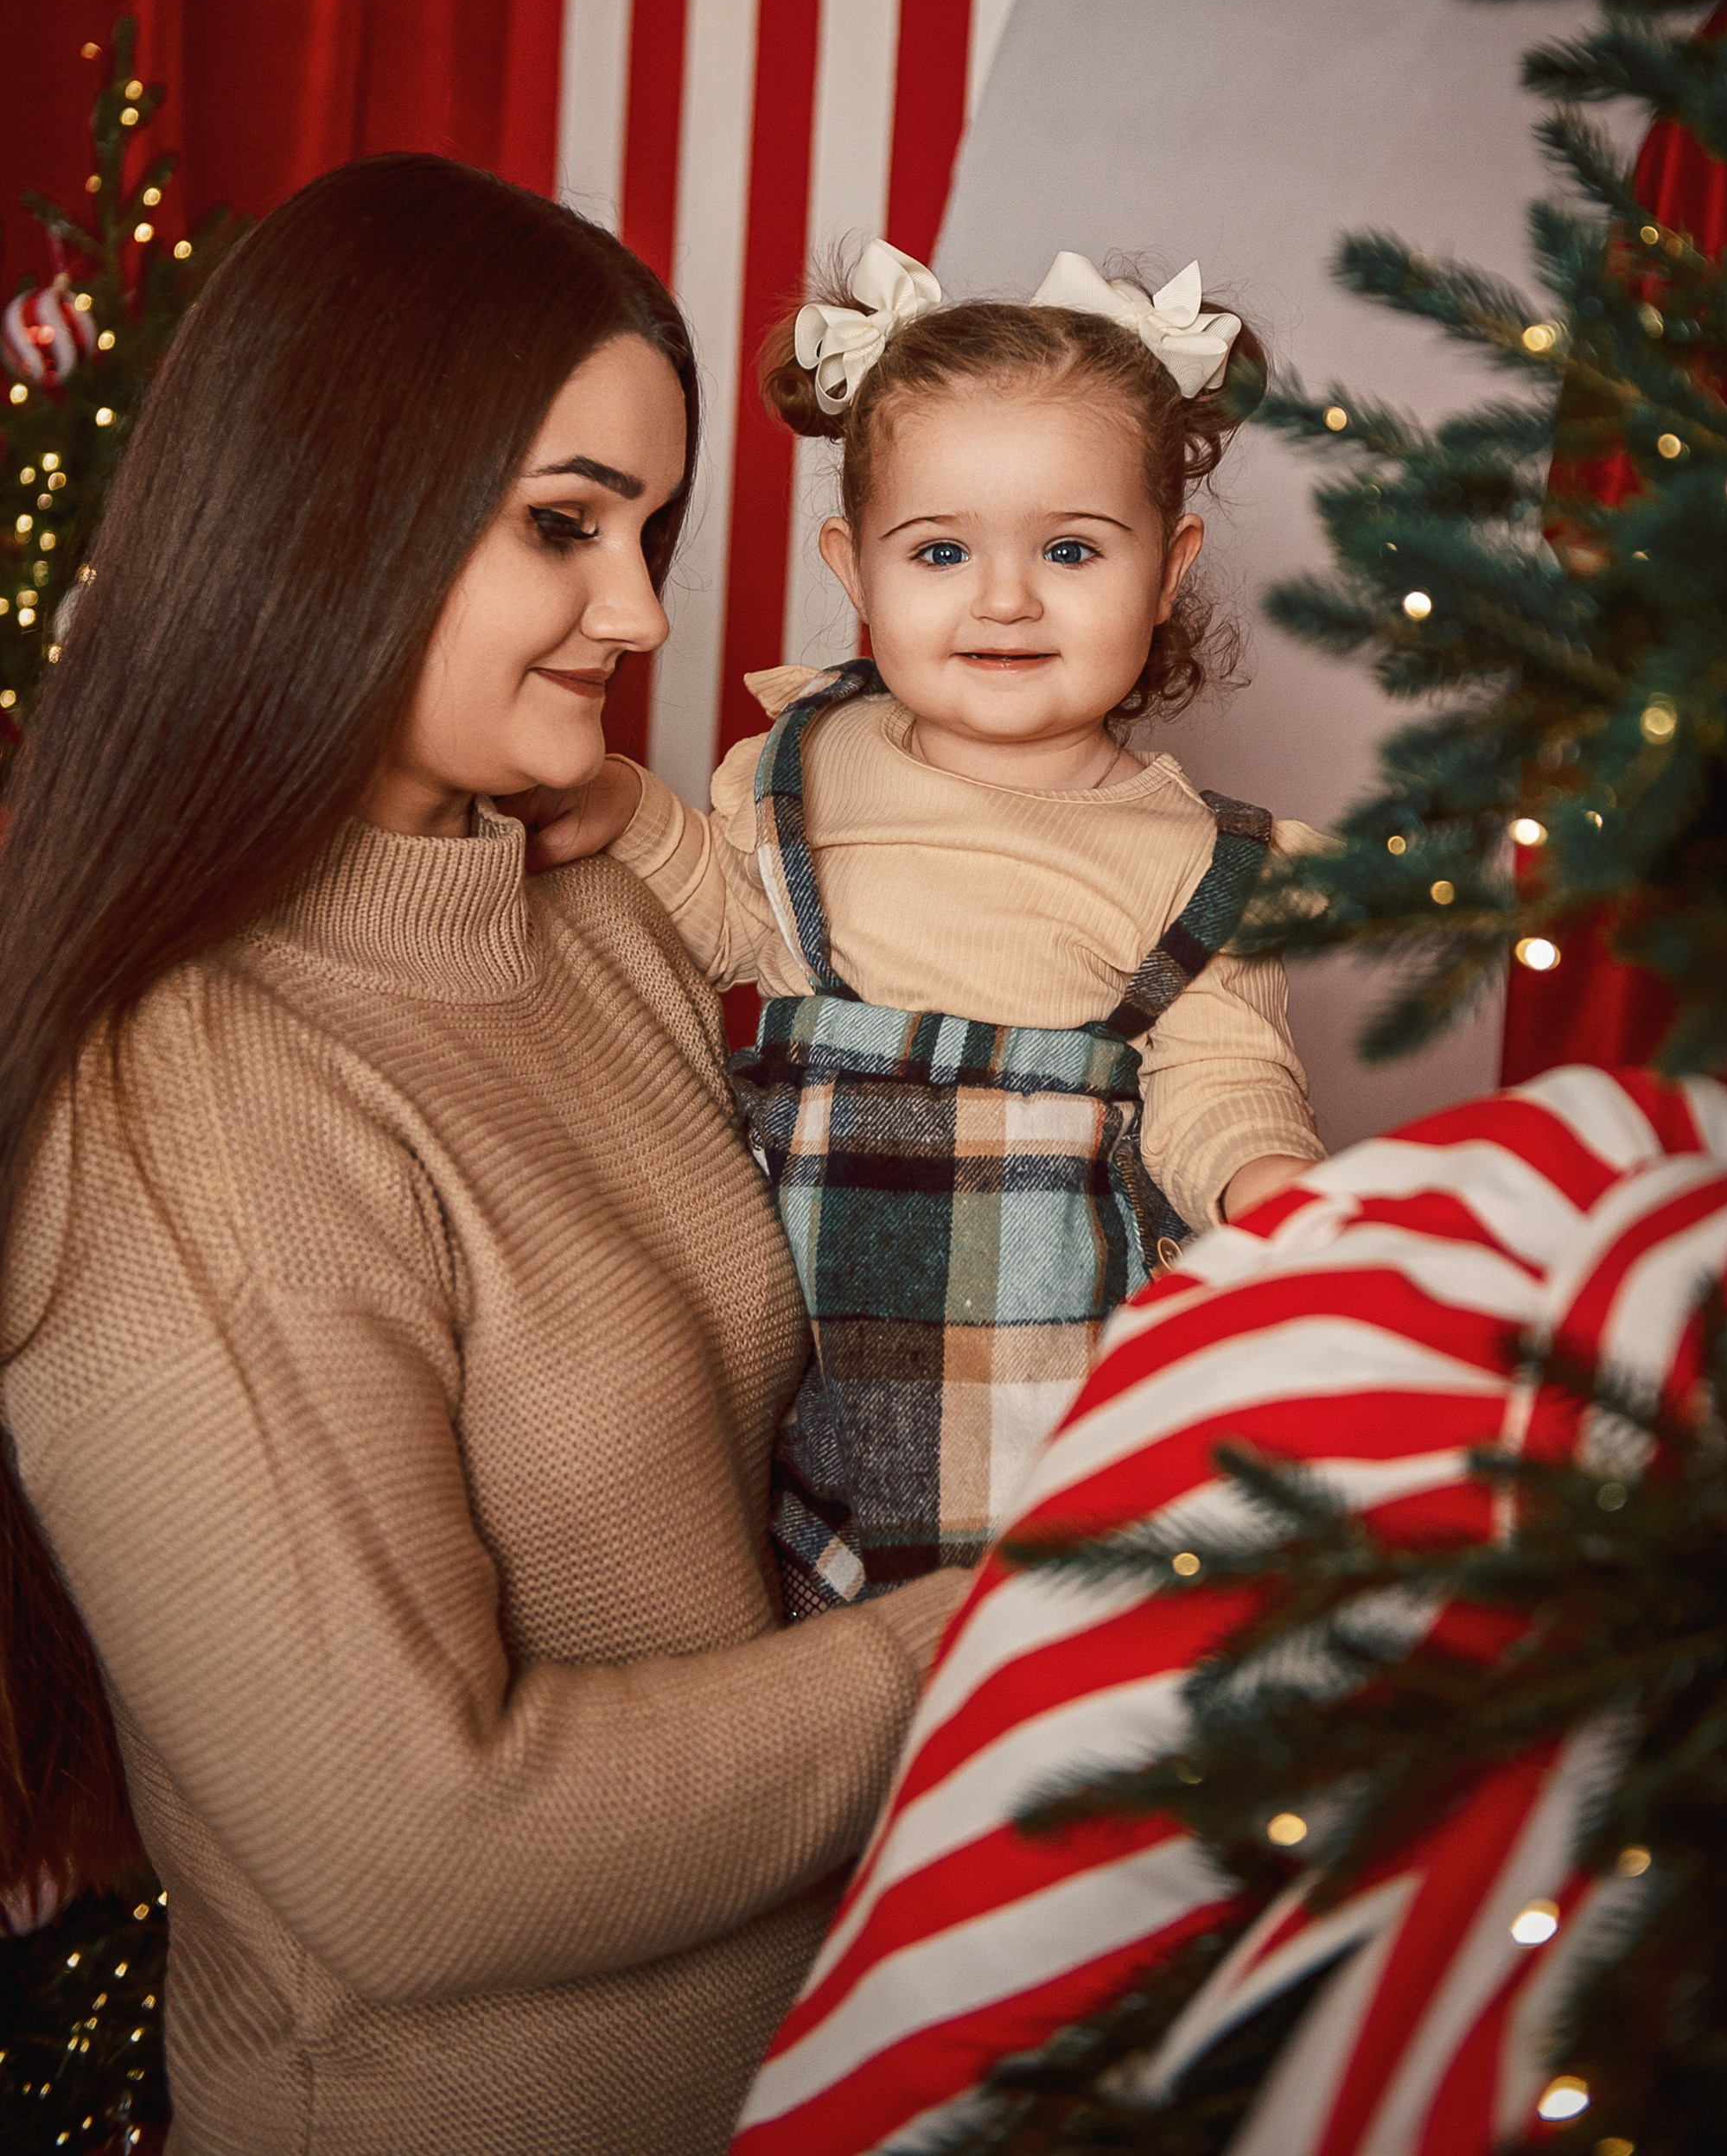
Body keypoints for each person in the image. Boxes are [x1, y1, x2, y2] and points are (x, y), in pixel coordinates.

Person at [0, 160, 963, 2156]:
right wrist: (989, 1635)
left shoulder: (592, 907)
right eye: (563, 528)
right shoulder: (184, 1096)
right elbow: (424, 1851)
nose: (640, 610)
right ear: (330, 509)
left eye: (650, 528)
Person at [530, 239, 1325, 1620]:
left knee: (1054, 1681)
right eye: (942, 550)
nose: (1004, 597)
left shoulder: (1201, 860)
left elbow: (1222, 1078)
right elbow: (728, 914)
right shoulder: (804, 767)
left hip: (1062, 1396)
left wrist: (1270, 1186)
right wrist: (624, 806)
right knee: (785, 1676)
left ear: (1167, 568)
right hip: (791, 1389)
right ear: (855, 568)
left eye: (1071, 549)